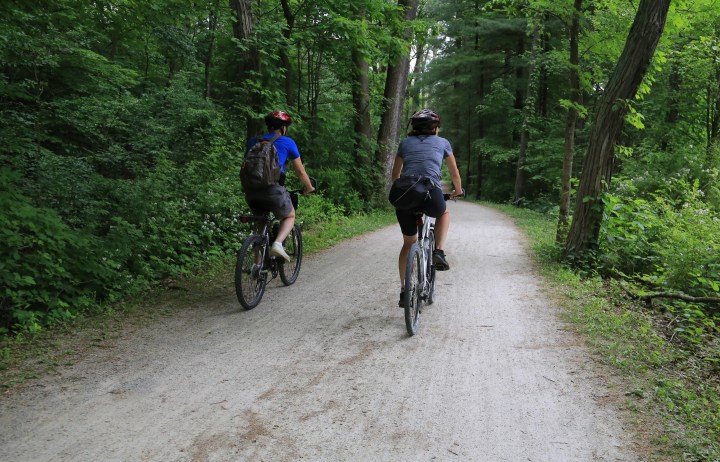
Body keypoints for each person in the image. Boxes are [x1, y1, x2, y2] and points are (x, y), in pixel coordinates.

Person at [390, 109, 462, 306]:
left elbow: (395, 175)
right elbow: (454, 173)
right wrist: (457, 191)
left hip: (406, 194)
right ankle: (438, 251)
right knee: (444, 212)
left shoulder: (405, 143)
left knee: (408, 243)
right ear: (435, 128)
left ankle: (405, 290)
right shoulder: (443, 143)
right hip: (431, 193)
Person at [244, 110, 314, 261]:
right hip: (273, 190)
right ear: (283, 128)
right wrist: (309, 187)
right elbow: (300, 172)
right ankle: (277, 244)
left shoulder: (252, 141)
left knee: (260, 225)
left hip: (251, 192)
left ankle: (258, 267)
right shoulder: (288, 142)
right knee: (290, 215)